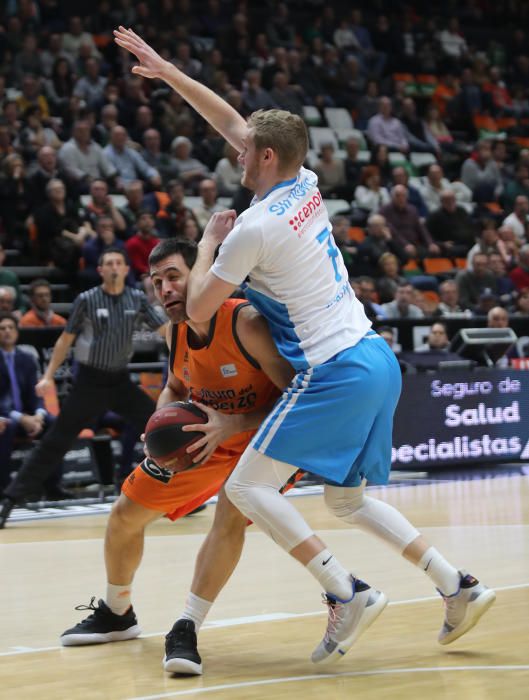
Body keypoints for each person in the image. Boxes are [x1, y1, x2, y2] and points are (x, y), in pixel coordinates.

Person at [114, 26, 495, 667]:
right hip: (376, 357)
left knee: (243, 490)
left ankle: (344, 591)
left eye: (246, 153)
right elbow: (234, 124)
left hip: (334, 369)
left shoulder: (251, 230)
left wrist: (207, 243)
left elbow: (201, 307)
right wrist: (168, 72)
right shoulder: (306, 184)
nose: (236, 157)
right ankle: (456, 585)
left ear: (266, 158)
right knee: (346, 499)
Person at [60, 238, 298, 674]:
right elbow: (174, 385)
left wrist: (233, 424)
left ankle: (187, 626)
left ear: (202, 276)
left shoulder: (245, 322)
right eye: (156, 281)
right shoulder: (177, 331)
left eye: (174, 276)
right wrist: (159, 428)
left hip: (263, 438)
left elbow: (295, 399)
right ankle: (118, 613)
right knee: (124, 514)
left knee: (229, 515)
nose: (165, 288)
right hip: (202, 437)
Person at [0, 248, 166, 528]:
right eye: (108, 263)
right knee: (55, 442)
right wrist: (49, 376)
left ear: (126, 269)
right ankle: (9, 501)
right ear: (100, 270)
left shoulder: (137, 299)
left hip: (120, 381)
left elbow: (167, 332)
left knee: (160, 427)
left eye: (118, 263)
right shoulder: (86, 300)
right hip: (89, 382)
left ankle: (182, 493)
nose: (114, 267)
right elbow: (65, 340)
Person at [0, 313, 56, 494]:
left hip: (27, 416)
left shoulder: (26, 359)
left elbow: (36, 393)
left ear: (17, 332)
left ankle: (53, 485)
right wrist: (21, 417)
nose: (7, 332)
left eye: (11, 328)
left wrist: (39, 415)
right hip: (5, 417)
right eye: (2, 328)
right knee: (8, 424)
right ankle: (5, 487)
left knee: (53, 422)